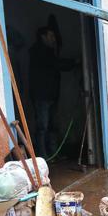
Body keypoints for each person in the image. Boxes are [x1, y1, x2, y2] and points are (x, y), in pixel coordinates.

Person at [29, 26, 75, 158]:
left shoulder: (48, 51)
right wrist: (73, 62)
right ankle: (42, 157)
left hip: (51, 95)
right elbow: (56, 64)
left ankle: (53, 154)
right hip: (41, 96)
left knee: (51, 126)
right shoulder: (38, 52)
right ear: (43, 37)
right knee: (42, 127)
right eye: (51, 36)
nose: (53, 39)